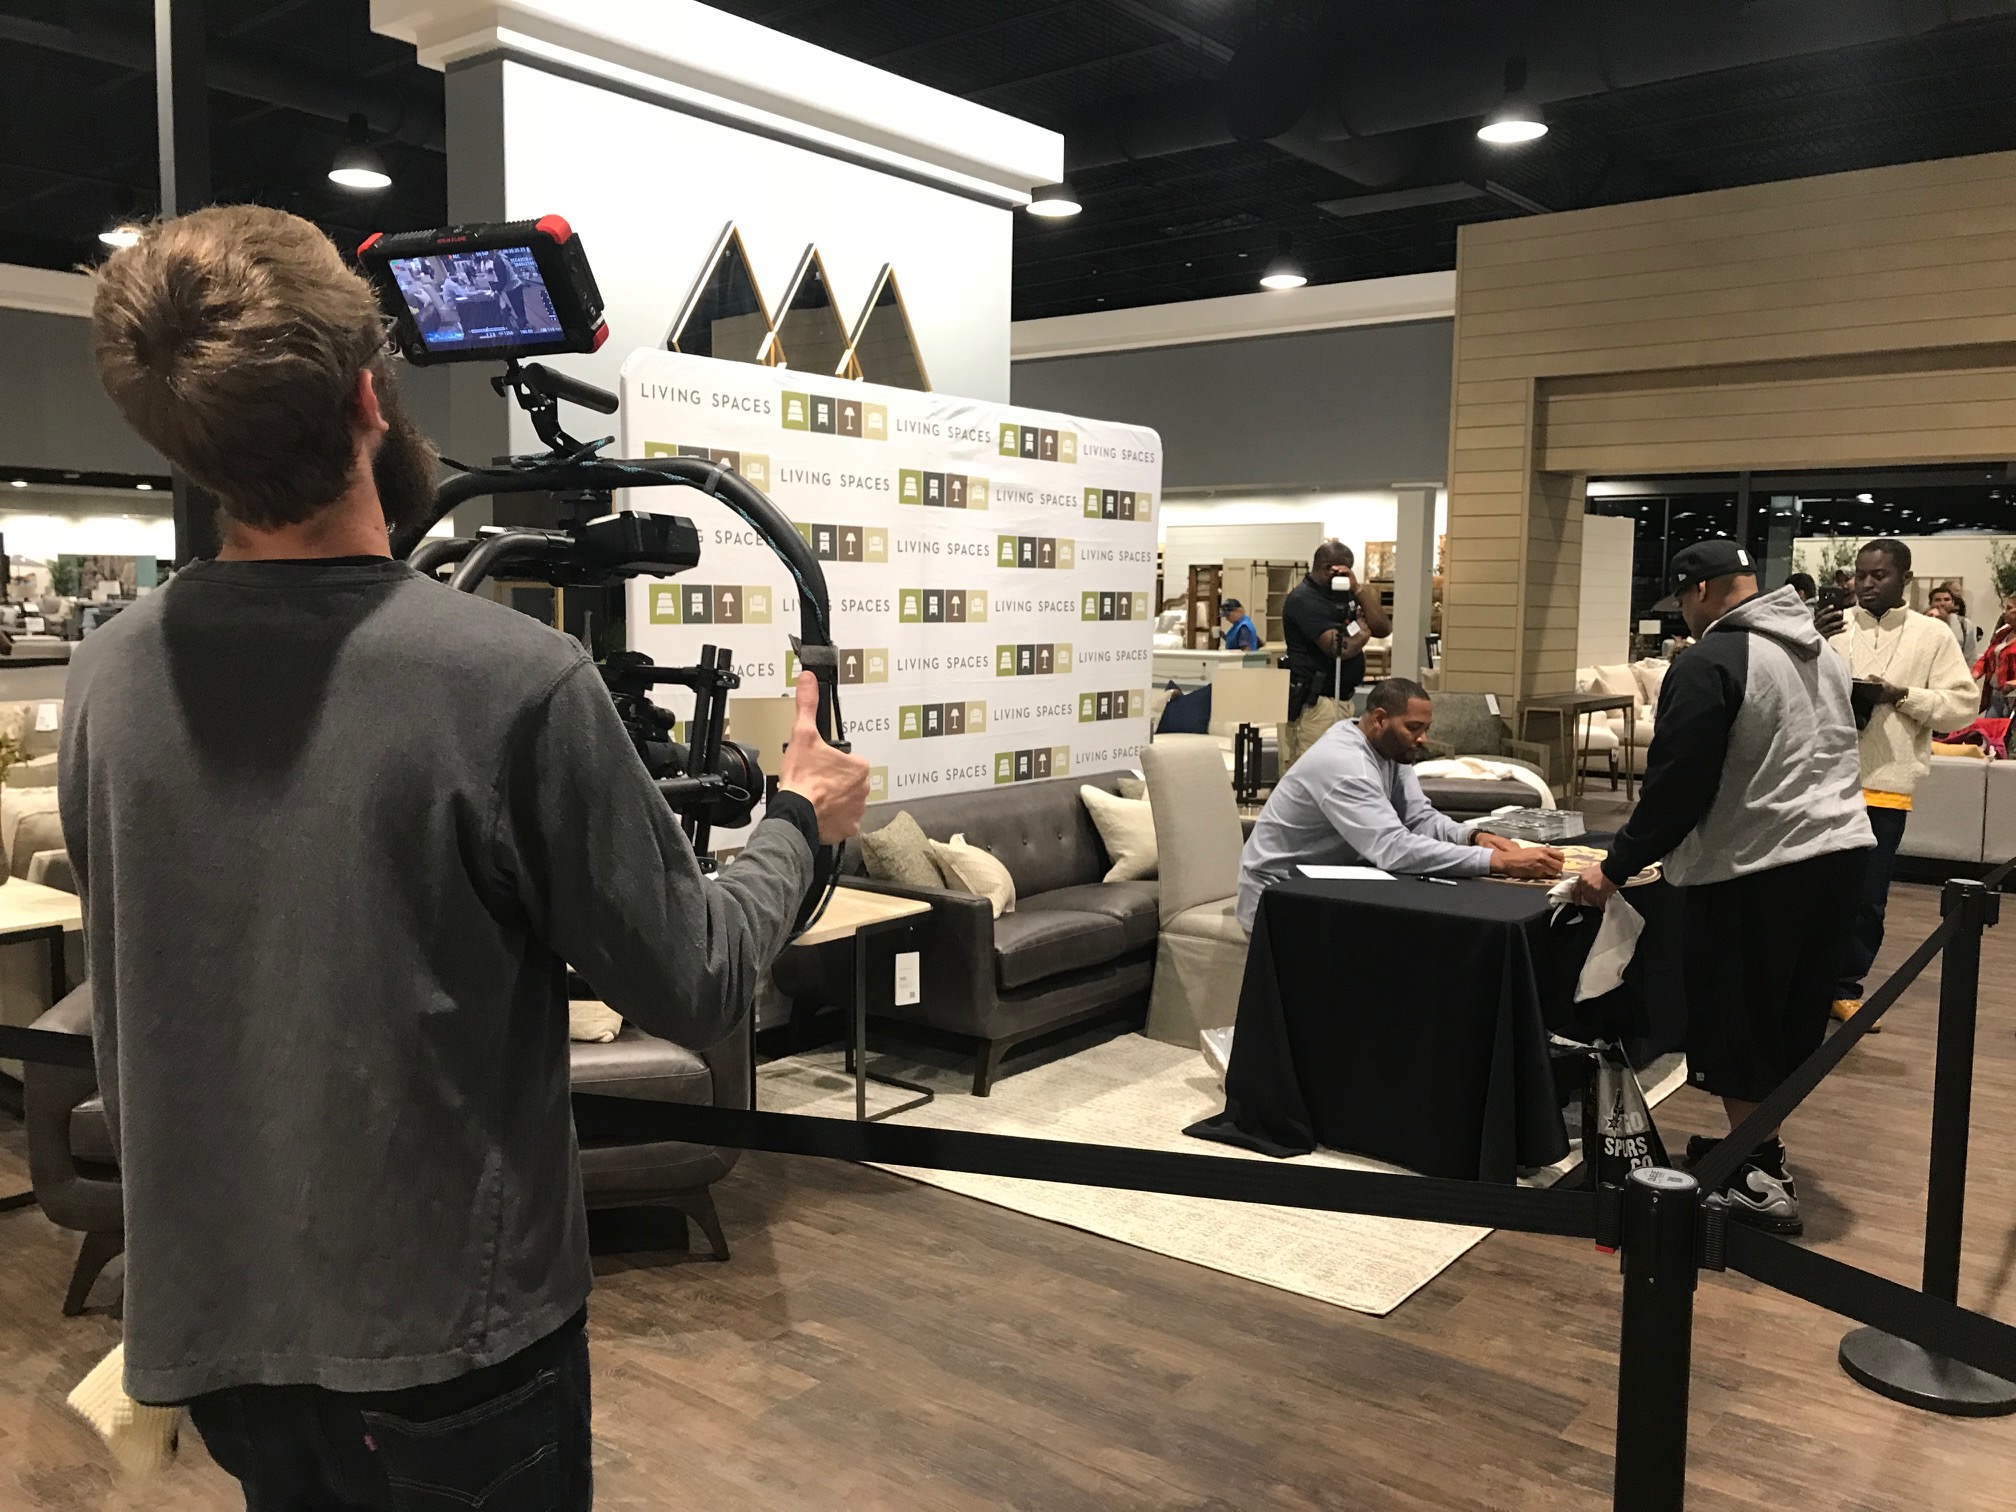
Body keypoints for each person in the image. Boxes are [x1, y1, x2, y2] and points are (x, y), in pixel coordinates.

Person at [78, 205, 871, 1508]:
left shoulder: (110, 674)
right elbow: (701, 978)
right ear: (368, 400)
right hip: (449, 1352)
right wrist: (799, 817)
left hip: (214, 1338)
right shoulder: (509, 679)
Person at [1571, 540, 1872, 1234]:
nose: (1683, 612)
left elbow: (1677, 783)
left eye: (1682, 598)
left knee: (1739, 1017)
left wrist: (1614, 867)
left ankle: (1759, 1177)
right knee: (1790, 1013)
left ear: (1702, 590)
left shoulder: (1711, 659)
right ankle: (1753, 1144)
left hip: (1760, 864)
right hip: (1840, 850)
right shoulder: (1822, 652)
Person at [1237, 677, 1562, 931]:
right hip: (1279, 896)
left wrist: (1473, 837)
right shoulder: (1347, 766)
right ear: (1380, 719)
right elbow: (1392, 848)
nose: (1422, 739)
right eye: (1413, 728)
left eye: (1426, 729)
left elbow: (1418, 818)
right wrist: (1497, 862)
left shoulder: (1388, 749)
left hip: (1330, 883)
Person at [1814, 539, 1976, 1024]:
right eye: (1860, 574)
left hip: (1885, 784)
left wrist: (1901, 695)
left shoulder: (1932, 635)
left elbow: (1962, 707)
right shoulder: (1832, 628)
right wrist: (1809, 642)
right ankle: (1804, 982)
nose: (1865, 584)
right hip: (1820, 782)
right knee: (1812, 890)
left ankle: (1844, 986)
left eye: (1878, 575)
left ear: (1904, 578)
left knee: (1866, 897)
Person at [1277, 540, 1391, 772]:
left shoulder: (1344, 594)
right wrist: (1363, 635)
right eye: (1343, 570)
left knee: (1338, 771)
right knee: (1311, 772)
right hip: (1315, 705)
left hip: (1343, 700)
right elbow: (1339, 649)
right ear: (1328, 568)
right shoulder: (1303, 599)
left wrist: (1358, 590)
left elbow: (1382, 628)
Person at [1974, 592, 2016, 716]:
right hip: (1996, 694)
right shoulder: (2003, 632)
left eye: (2009, 608)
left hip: (2013, 696)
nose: (2005, 612)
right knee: (1989, 727)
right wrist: (1973, 675)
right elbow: (1987, 657)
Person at [1926, 582, 1984, 664]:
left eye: (1947, 600)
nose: (1942, 603)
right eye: (1937, 600)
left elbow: (1970, 657)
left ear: (1953, 603)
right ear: (1930, 604)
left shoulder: (1965, 624)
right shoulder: (1921, 623)